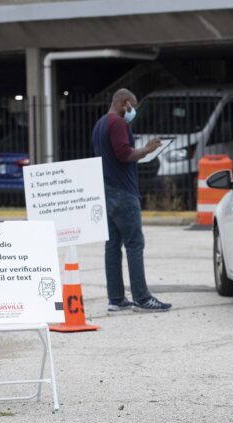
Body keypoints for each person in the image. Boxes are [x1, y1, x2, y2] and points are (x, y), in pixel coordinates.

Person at [92, 88, 172, 313]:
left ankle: (116, 298)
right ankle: (142, 298)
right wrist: (147, 149)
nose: (133, 111)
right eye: (132, 106)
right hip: (122, 192)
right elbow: (123, 154)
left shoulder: (100, 124)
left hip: (106, 190)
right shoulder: (117, 123)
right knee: (135, 244)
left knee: (112, 245)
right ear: (125, 103)